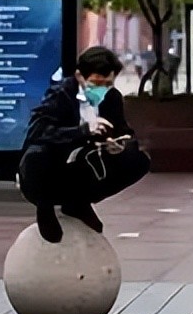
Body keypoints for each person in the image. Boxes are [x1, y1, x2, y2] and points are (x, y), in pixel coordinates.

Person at [18, 46, 151, 243]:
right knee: (38, 154)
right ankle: (45, 206)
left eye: (108, 83)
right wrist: (83, 131)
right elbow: (38, 132)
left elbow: (124, 131)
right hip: (53, 165)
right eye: (97, 83)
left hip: (85, 165)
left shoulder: (112, 98)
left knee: (138, 160)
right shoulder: (61, 94)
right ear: (80, 76)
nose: (102, 89)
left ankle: (78, 202)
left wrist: (118, 143)